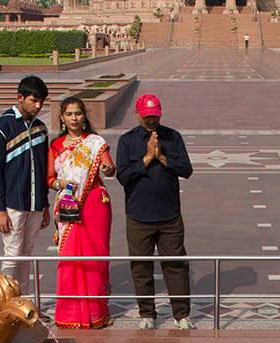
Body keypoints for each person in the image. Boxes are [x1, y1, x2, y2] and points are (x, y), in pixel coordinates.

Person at [116, 93, 195, 330]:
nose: (152, 120)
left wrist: (162, 157)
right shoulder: (127, 141)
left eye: (155, 116)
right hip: (139, 215)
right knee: (141, 266)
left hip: (169, 215)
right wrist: (147, 159)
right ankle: (147, 313)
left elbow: (186, 169)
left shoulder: (173, 137)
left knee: (176, 265)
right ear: (137, 114)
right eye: (147, 116)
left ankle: (181, 314)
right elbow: (123, 176)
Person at [47, 96, 115, 329]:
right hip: (68, 203)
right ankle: (69, 314)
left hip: (95, 202)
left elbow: (110, 168)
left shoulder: (95, 141)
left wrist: (108, 168)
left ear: (84, 116)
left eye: (78, 113)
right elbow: (49, 179)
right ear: (62, 118)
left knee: (94, 257)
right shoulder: (56, 146)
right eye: (69, 114)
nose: (74, 118)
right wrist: (61, 184)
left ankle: (97, 312)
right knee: (69, 257)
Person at [0, 75, 51, 290]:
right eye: (33, 100)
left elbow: (43, 169)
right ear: (20, 97)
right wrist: (0, 209)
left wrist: (45, 205)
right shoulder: (1, 127)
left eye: (41, 101)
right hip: (13, 203)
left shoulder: (41, 129)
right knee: (13, 253)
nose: (38, 106)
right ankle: (5, 302)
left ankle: (24, 304)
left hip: (35, 204)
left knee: (27, 253)